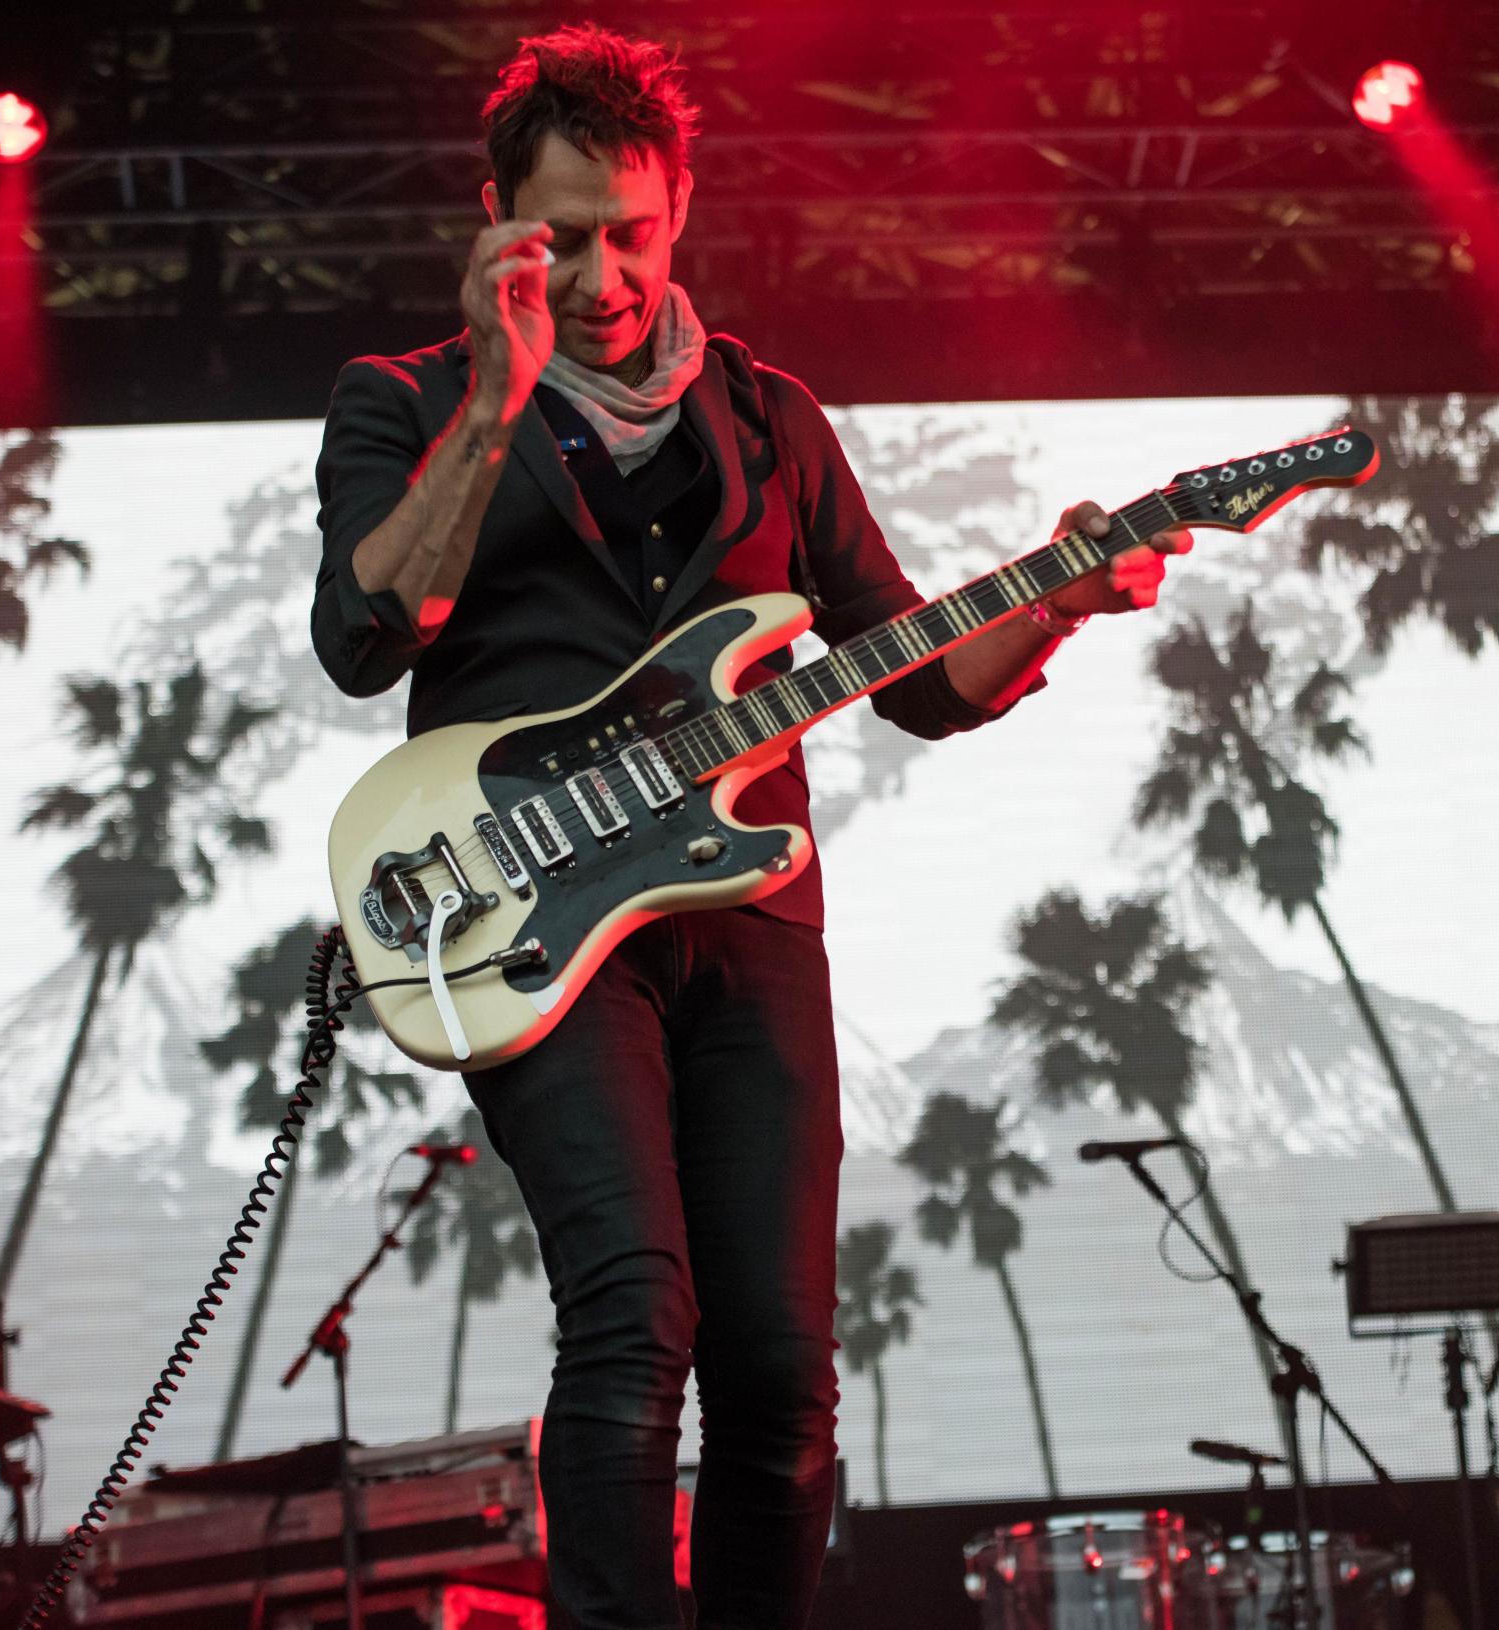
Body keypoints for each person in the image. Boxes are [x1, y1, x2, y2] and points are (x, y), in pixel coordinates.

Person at [307, 25, 1188, 1630]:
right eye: (559, 237)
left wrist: (1057, 596)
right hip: (532, 925)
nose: (600, 274)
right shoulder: (405, 403)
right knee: (635, 1314)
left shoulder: (769, 413)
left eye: (630, 233)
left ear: (680, 208)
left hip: (752, 919)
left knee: (780, 1361)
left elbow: (919, 674)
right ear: (496, 218)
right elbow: (372, 632)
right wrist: (499, 398)